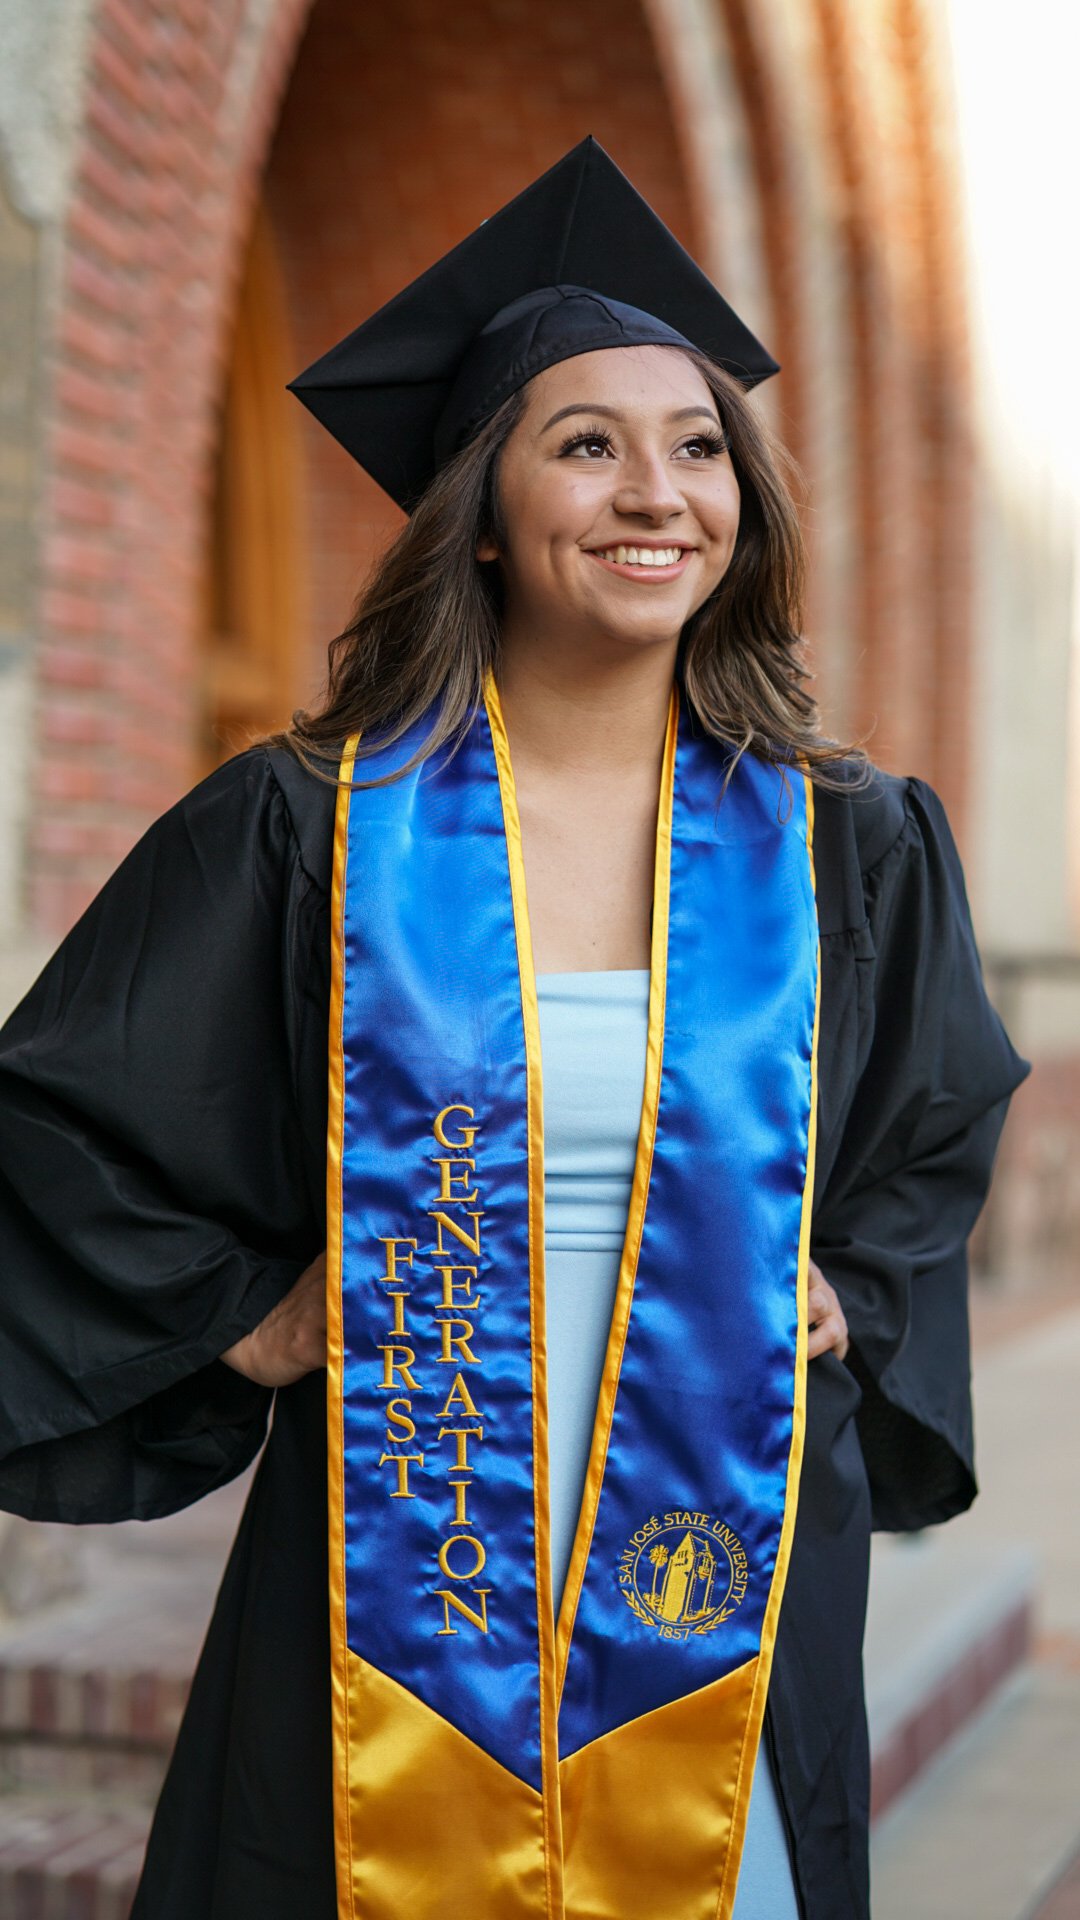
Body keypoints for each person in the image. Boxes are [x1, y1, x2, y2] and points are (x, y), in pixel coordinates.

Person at [0, 139, 1030, 1920]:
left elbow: (931, 1133)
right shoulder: (311, 826)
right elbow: (58, 1113)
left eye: (699, 445)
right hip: (401, 1534)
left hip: (722, 1546)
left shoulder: (848, 843)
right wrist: (244, 1327)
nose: (659, 491)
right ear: (482, 504)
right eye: (588, 443)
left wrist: (851, 1295)